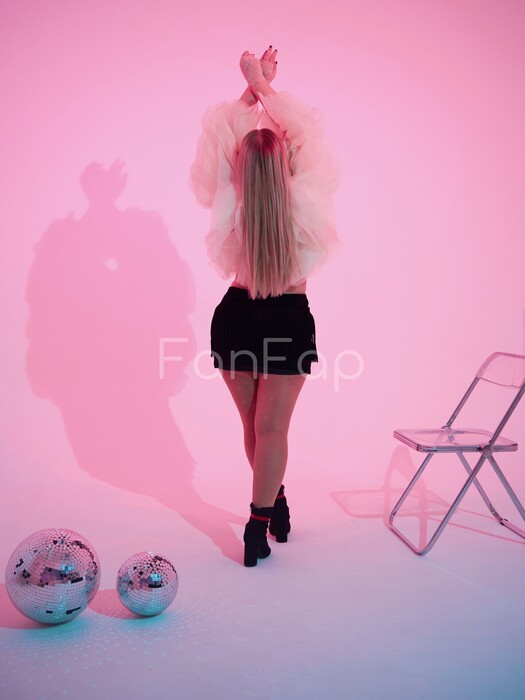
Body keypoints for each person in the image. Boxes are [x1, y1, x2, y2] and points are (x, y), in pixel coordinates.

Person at [190, 47, 340, 566]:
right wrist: (264, 87)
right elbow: (307, 135)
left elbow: (218, 140)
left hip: (236, 316)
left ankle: (272, 504)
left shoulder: (231, 198)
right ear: (286, 165)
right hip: (287, 318)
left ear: (240, 167)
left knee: (253, 428)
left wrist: (249, 89)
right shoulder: (304, 201)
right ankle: (260, 523)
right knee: (272, 429)